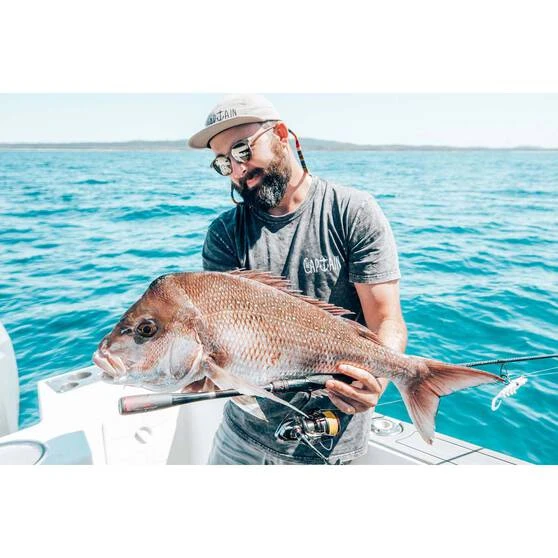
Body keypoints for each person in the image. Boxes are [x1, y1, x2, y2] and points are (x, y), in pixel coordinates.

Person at [188, 94, 407, 464]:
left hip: (329, 440)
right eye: (223, 162)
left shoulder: (352, 212)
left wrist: (378, 382)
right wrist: (200, 370)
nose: (238, 170)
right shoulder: (224, 234)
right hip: (242, 435)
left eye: (242, 150)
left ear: (280, 134)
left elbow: (387, 319)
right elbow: (220, 340)